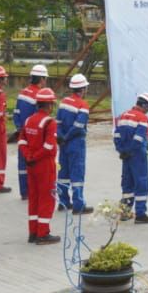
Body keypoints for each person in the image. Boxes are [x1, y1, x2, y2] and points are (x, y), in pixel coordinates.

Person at [20, 86, 60, 244]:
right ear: (49, 105)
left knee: (34, 198)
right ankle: (43, 233)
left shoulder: (29, 120)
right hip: (44, 164)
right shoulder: (49, 122)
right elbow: (49, 146)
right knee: (46, 198)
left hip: (31, 164)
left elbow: (22, 141)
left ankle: (33, 232)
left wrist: (28, 156)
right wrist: (35, 157)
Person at [114, 93, 148, 223]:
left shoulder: (123, 115)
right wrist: (130, 151)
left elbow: (116, 135)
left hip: (125, 156)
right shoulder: (142, 118)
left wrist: (121, 151)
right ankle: (140, 214)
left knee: (127, 183)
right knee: (142, 183)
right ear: (145, 105)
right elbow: (138, 139)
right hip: (137, 155)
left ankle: (125, 212)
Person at [56, 74, 92, 215]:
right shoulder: (83, 105)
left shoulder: (64, 102)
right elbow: (78, 126)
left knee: (63, 173)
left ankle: (63, 202)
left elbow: (57, 122)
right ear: (82, 89)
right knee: (77, 174)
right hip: (76, 143)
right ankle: (78, 205)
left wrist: (61, 137)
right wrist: (67, 137)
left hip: (63, 144)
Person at [13, 64, 47, 197]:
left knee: (22, 163)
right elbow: (38, 117)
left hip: (22, 131)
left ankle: (24, 191)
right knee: (34, 161)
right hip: (33, 134)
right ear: (42, 79)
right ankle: (33, 190)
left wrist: (19, 128)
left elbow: (16, 113)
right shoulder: (39, 95)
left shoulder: (22, 93)